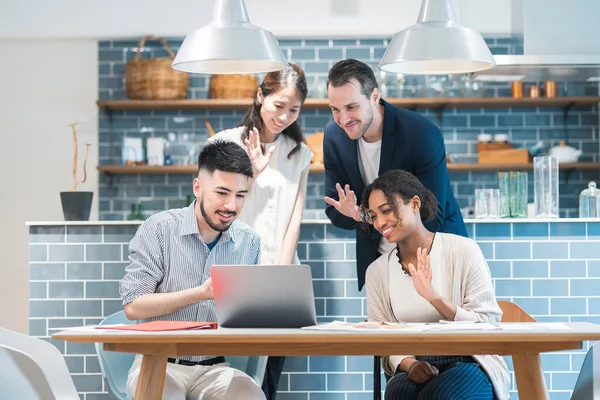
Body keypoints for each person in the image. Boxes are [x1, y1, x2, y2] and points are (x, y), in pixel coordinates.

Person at [119, 140, 265, 400]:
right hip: (158, 363)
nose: (231, 206)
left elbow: (245, 316)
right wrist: (200, 293)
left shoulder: (249, 241)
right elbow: (133, 306)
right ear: (198, 187)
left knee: (250, 396)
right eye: (221, 193)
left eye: (240, 195)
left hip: (215, 368)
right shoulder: (159, 229)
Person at [208, 63, 312, 399]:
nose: (283, 117)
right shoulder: (224, 144)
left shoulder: (300, 154)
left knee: (268, 376)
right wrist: (249, 173)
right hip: (230, 272)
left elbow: (294, 216)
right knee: (228, 375)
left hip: (279, 273)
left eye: (293, 109)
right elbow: (211, 210)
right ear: (260, 96)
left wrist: (281, 274)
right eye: (278, 106)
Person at [361, 169, 509, 400]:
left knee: (439, 395)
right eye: (373, 216)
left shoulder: (463, 250)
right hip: (415, 361)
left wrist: (434, 298)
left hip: (470, 360)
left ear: (415, 203)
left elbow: (487, 324)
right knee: (398, 391)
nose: (380, 223)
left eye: (386, 211)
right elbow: (384, 340)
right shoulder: (377, 272)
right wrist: (410, 365)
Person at [323, 58, 467, 291]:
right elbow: (335, 210)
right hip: (381, 261)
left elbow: (432, 214)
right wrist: (359, 215)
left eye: (351, 107)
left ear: (375, 97)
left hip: (435, 253)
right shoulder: (334, 136)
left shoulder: (421, 134)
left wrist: (363, 215)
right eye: (335, 110)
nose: (344, 119)